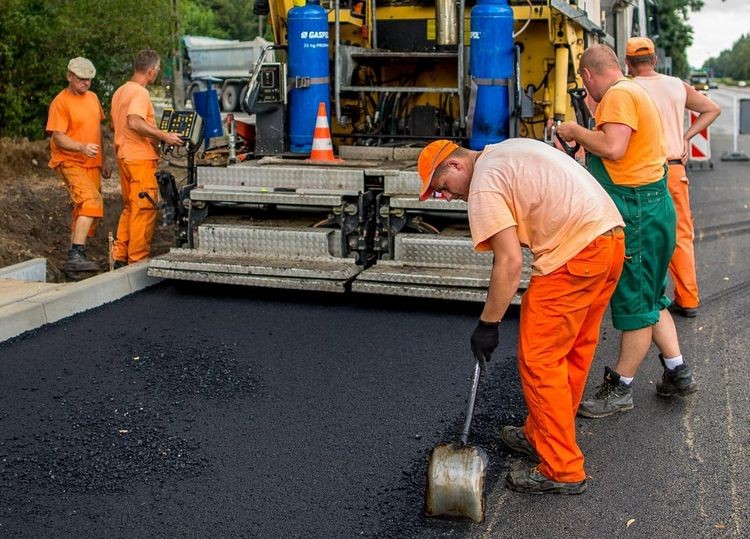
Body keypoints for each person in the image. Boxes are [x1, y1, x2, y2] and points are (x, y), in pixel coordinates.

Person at [418, 138, 625, 494]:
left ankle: (562, 468)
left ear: (454, 166)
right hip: (609, 241)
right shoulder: (505, 151)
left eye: (442, 187)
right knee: (573, 350)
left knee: (539, 360)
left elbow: (510, 262)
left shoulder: (483, 182)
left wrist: (488, 323)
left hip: (573, 254)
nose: (447, 197)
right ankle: (541, 436)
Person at [556, 44, 698, 419]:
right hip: (652, 206)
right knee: (651, 298)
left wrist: (575, 130)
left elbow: (613, 148)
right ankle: (676, 369)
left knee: (636, 305)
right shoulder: (634, 91)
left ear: (587, 76)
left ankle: (620, 387)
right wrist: (592, 122)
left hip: (636, 213)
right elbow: (619, 148)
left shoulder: (618, 95)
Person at [625, 37, 720, 318]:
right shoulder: (676, 85)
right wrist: (685, 137)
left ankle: (642, 300)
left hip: (641, 171)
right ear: (654, 59)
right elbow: (712, 109)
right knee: (680, 235)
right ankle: (688, 299)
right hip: (674, 168)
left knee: (638, 236)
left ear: (628, 63)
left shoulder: (627, 89)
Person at [110, 49, 184, 266]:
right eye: (158, 69)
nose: (158, 73)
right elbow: (134, 121)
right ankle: (137, 260)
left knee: (130, 207)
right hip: (140, 159)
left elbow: (117, 125)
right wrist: (163, 135)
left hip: (124, 156)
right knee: (144, 209)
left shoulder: (120, 92)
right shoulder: (140, 93)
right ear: (151, 72)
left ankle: (118, 256)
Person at [46, 57, 111, 273]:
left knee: (86, 208)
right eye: (82, 79)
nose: (86, 84)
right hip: (70, 161)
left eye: (89, 80)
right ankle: (75, 254)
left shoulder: (92, 98)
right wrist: (81, 147)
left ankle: (74, 259)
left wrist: (104, 159)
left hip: (92, 163)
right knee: (91, 201)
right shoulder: (60, 102)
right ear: (69, 77)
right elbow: (58, 138)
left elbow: (97, 130)